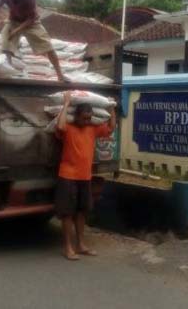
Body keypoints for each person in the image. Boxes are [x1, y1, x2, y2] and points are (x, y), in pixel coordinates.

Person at [55, 92, 116, 260]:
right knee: (67, 213)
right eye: (84, 118)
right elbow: (59, 126)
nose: (87, 121)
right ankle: (67, 247)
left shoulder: (93, 129)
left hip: (85, 177)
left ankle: (81, 244)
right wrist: (66, 104)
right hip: (67, 176)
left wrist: (111, 108)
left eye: (90, 118)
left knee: (82, 212)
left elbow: (111, 127)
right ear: (76, 116)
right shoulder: (69, 128)